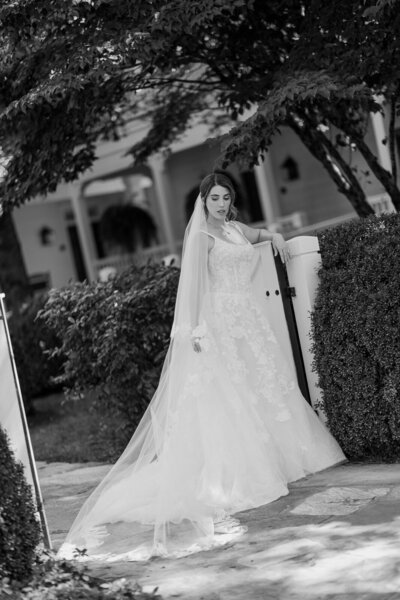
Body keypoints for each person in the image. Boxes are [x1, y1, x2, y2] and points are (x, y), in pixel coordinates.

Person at [58, 172, 345, 562]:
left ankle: (288, 458)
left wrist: (275, 236)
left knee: (266, 386)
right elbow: (191, 287)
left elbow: (258, 235)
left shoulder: (234, 228)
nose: (221, 204)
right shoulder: (200, 237)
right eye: (214, 198)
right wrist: (193, 330)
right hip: (220, 324)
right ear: (203, 200)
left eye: (226, 197)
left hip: (250, 320)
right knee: (235, 395)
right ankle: (242, 472)